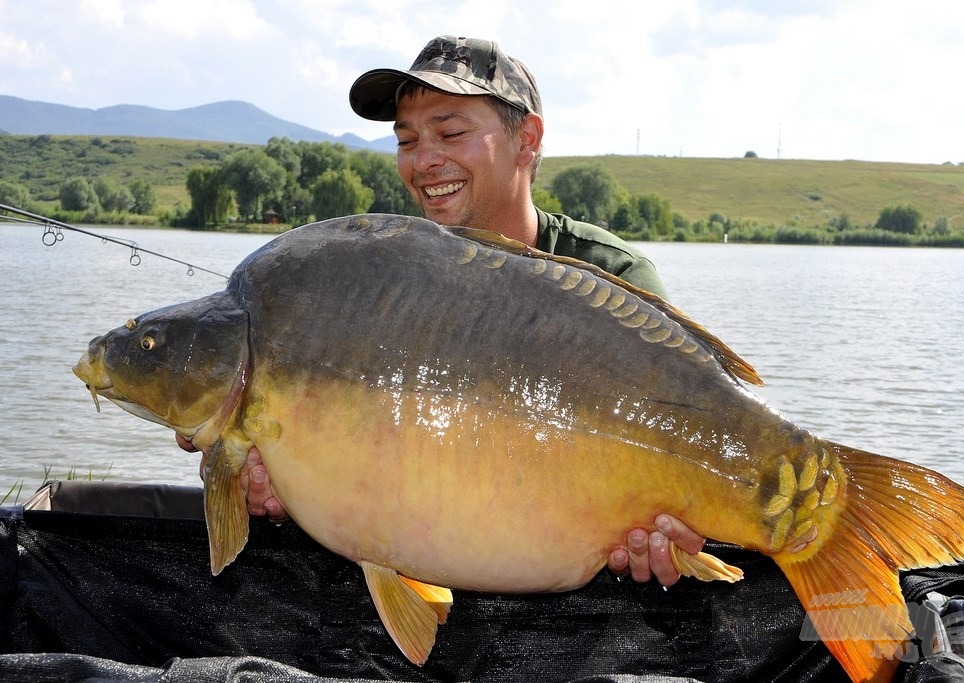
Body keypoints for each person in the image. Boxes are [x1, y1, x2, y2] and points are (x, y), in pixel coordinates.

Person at [179, 34, 704, 588]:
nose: (425, 161)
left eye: (451, 133)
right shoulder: (379, 284)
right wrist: (297, 490)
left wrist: (677, 533)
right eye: (407, 141)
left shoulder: (613, 278)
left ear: (526, 139)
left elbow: (691, 442)